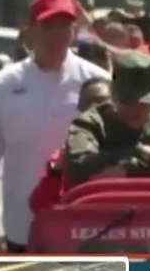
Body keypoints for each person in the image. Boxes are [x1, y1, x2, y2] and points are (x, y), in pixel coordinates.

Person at [0, 0, 110, 253]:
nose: (56, 35)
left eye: (64, 26)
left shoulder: (98, 83)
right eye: (48, 26)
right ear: (30, 31)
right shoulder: (4, 85)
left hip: (88, 229)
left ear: (74, 32)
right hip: (23, 229)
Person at [62, 51, 150, 186]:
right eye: (128, 101)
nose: (137, 110)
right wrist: (139, 150)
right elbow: (78, 164)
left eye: (144, 103)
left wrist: (129, 169)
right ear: (114, 94)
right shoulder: (90, 122)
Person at [29, 78, 113, 216]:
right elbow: (39, 206)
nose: (94, 109)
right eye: (87, 103)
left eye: (101, 102)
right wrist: (57, 172)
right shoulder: (69, 153)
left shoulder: (133, 145)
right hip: (80, 225)